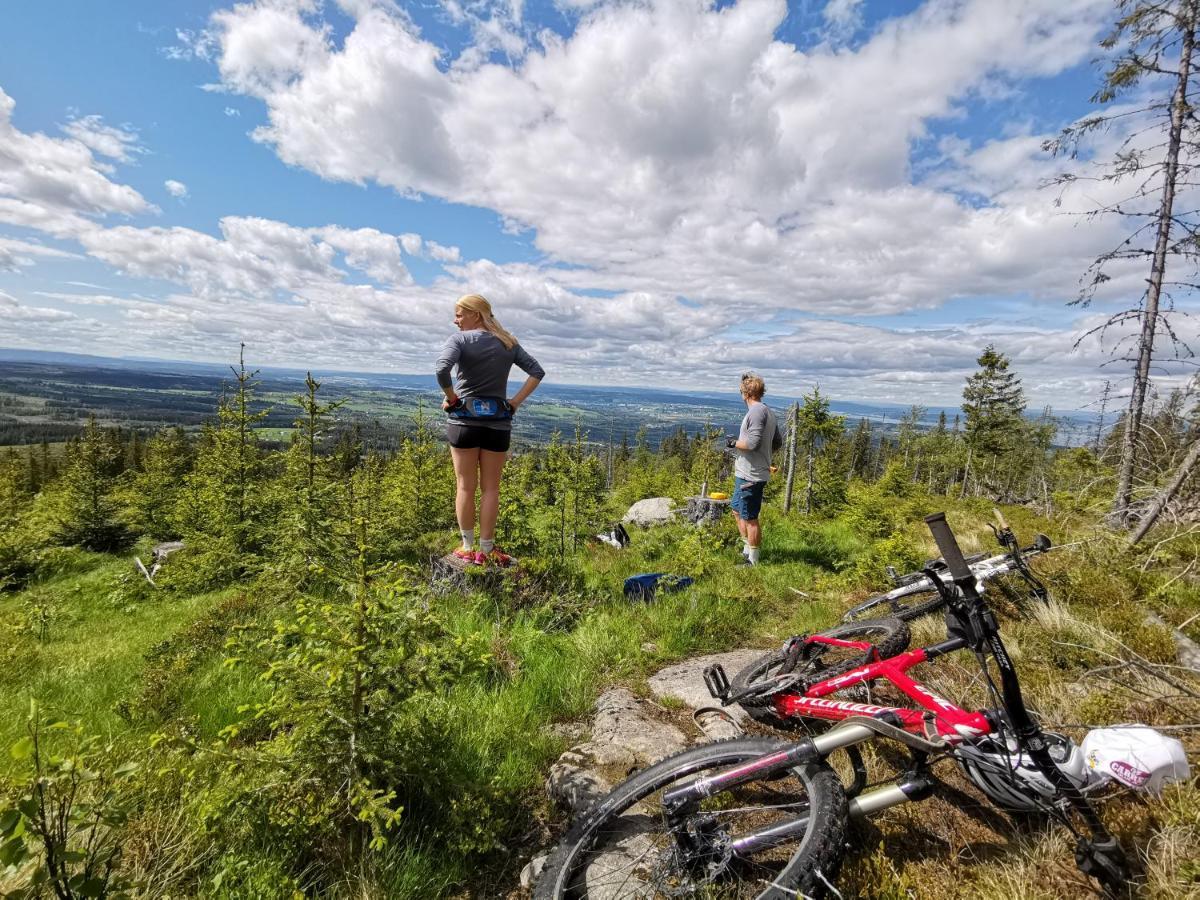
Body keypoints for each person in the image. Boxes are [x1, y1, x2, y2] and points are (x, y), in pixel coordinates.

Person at [435, 294, 544, 566]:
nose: (455, 320)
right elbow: (537, 372)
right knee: (491, 489)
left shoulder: (458, 341)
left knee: (465, 486)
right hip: (498, 424)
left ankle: (467, 547)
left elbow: (441, 369)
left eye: (459, 314)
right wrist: (514, 403)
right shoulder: (508, 343)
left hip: (463, 423)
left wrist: (451, 397)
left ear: (476, 314)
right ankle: (486, 549)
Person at [726, 373, 782, 565]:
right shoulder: (768, 411)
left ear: (745, 393)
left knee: (750, 517)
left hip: (751, 474)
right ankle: (746, 549)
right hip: (747, 471)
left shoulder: (757, 412)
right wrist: (765, 456)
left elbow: (752, 443)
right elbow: (777, 442)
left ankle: (753, 561)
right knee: (736, 510)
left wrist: (733, 443)